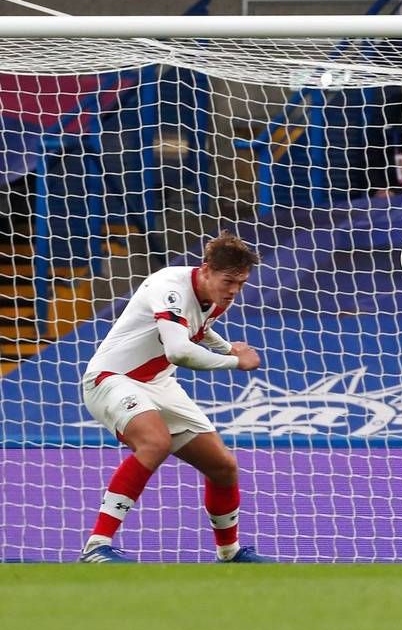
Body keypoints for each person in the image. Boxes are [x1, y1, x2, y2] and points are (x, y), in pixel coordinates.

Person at [79, 232, 272, 563]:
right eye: (229, 281)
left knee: (223, 467)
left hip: (158, 383)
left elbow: (198, 327)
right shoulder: (170, 286)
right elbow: (179, 350)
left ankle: (230, 554)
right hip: (111, 378)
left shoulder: (215, 296)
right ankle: (96, 547)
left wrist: (227, 346)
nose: (234, 291)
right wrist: (233, 360)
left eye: (240, 283)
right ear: (206, 269)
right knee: (155, 443)